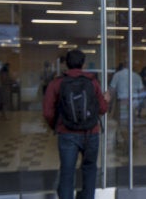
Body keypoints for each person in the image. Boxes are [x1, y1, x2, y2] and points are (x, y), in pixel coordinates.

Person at [42, 50, 110, 199]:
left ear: (66, 63)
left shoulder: (57, 83)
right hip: (91, 133)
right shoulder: (93, 82)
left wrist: (57, 125)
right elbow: (102, 109)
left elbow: (47, 112)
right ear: (84, 64)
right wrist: (106, 100)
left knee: (67, 172)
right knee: (90, 170)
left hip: (67, 134)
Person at [108, 63, 143, 143]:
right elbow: (141, 90)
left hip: (122, 101)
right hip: (134, 101)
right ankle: (131, 139)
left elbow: (112, 89)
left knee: (122, 122)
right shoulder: (137, 76)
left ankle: (123, 139)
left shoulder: (117, 75)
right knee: (132, 121)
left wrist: (109, 102)